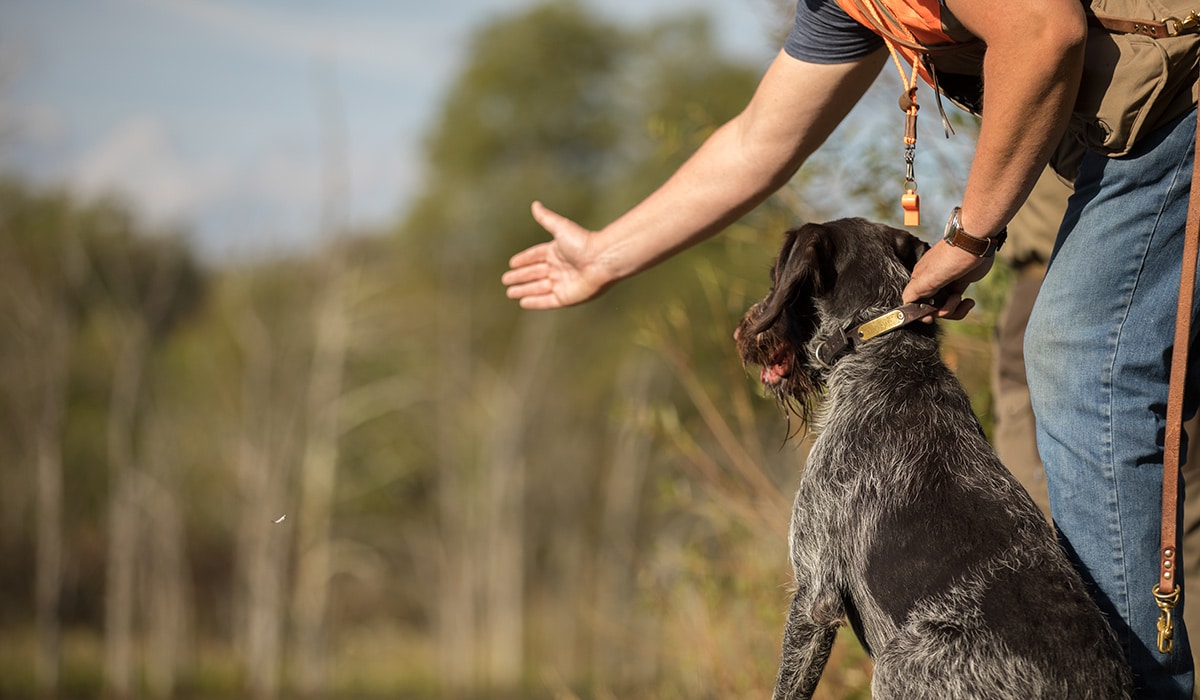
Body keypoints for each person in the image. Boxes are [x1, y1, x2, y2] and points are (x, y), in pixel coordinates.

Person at [502, 0, 1199, 695]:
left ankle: (1144, 686)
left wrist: (968, 235)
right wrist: (604, 256)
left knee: (1081, 358)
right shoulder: (846, 5)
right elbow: (758, 141)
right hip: (1124, 123)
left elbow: (1044, 31)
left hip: (1176, 100)